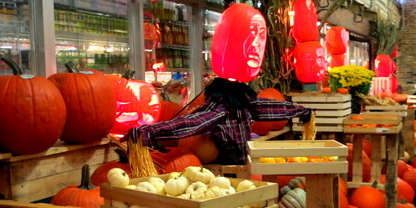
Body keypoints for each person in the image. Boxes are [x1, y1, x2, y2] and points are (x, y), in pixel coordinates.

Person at [126, 77, 313, 165]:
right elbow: (274, 107)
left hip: (226, 163)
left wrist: (149, 130)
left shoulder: (219, 109)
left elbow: (189, 123)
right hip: (245, 159)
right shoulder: (246, 104)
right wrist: (302, 112)